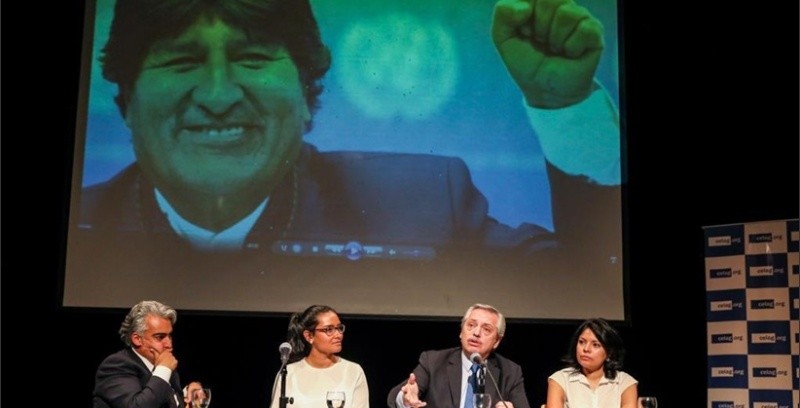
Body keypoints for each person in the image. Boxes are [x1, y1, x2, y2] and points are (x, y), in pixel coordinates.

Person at [69, 0, 621, 310]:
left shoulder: (426, 201)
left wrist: (564, 106)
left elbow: (588, 285)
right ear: (125, 99)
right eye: (181, 61)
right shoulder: (83, 233)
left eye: (253, 58)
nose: (217, 95)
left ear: (308, 95)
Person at [387, 303, 536, 408]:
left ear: (497, 341)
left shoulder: (510, 371)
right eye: (471, 325)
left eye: (486, 329)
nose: (476, 333)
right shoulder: (433, 361)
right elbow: (393, 398)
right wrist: (406, 398)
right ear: (461, 331)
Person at [92, 300, 202, 408]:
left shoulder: (167, 370)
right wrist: (164, 370)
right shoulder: (116, 365)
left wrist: (186, 393)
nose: (169, 344)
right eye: (160, 337)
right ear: (137, 339)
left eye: (169, 336)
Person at [267, 305, 369, 408]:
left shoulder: (353, 371)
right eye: (329, 330)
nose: (338, 335)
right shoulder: (287, 374)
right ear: (309, 336)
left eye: (339, 328)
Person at [545, 318, 639, 408]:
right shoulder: (560, 379)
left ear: (609, 353)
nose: (586, 349)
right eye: (581, 342)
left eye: (595, 345)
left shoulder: (625, 382)